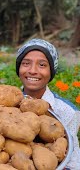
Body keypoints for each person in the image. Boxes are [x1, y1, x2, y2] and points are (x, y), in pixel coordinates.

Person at [16, 38, 80, 169]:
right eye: (26, 63)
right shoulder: (5, 103)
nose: (33, 70)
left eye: (42, 65)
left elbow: (73, 163)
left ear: (51, 71)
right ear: (19, 68)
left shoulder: (68, 112)